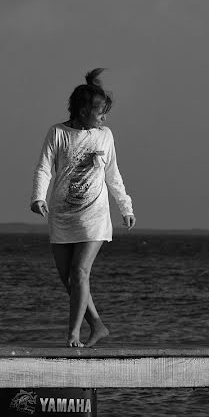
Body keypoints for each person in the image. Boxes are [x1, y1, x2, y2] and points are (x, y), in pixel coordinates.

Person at [30, 68, 135, 347]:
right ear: (83, 109)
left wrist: (125, 207)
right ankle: (97, 325)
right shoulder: (58, 133)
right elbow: (44, 168)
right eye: (101, 112)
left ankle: (73, 334)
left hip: (94, 215)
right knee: (69, 279)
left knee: (79, 273)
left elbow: (113, 174)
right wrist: (38, 197)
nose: (104, 118)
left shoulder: (105, 135)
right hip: (62, 215)